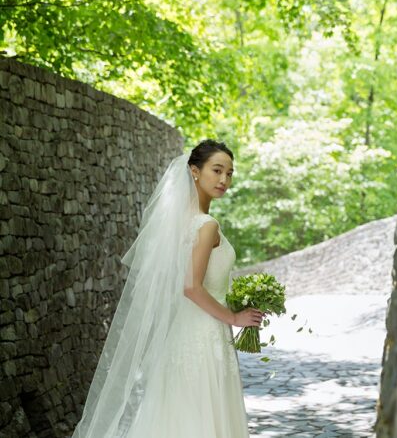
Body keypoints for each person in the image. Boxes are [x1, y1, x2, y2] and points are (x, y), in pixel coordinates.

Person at [71, 140, 264, 437]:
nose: (224, 179)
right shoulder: (206, 225)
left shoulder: (180, 223)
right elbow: (191, 287)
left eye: (229, 173)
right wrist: (234, 318)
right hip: (203, 336)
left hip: (181, 335)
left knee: (178, 417)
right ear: (194, 171)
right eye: (217, 170)